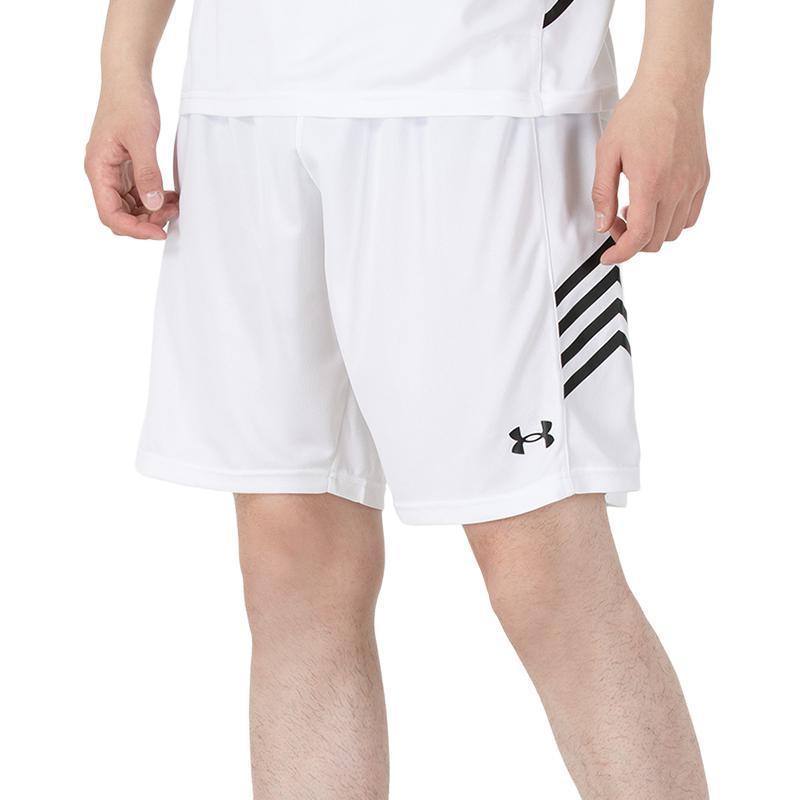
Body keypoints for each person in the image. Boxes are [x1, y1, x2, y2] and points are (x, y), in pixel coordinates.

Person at [85, 0, 712, 797]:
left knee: (544, 567)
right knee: (290, 562)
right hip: (246, 101)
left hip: (480, 94)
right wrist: (124, 62)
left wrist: (674, 81)